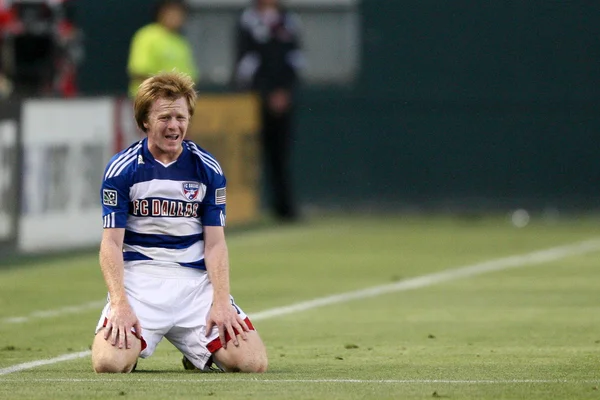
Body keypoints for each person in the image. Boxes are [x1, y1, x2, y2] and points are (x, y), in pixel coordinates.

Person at [92, 71, 268, 373]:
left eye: (181, 116)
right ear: (144, 121)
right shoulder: (122, 169)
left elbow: (215, 243)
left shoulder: (207, 168)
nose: (174, 125)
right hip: (140, 283)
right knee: (109, 364)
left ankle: (197, 352)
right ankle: (133, 344)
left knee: (252, 363)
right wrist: (120, 303)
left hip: (194, 286)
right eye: (164, 118)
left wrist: (222, 302)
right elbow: (110, 242)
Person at [233, 0, 304, 221]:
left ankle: (283, 207)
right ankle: (245, 208)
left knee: (280, 154)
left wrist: (284, 92)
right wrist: (264, 94)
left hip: (284, 102)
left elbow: (295, 60)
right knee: (249, 154)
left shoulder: (288, 21)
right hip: (253, 102)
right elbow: (245, 65)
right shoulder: (247, 21)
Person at [127, 0, 198, 98]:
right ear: (161, 12)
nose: (177, 17)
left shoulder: (181, 42)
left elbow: (191, 78)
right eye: (173, 12)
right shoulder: (147, 36)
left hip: (176, 102)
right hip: (150, 101)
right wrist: (165, 93)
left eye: (181, 13)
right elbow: (139, 72)